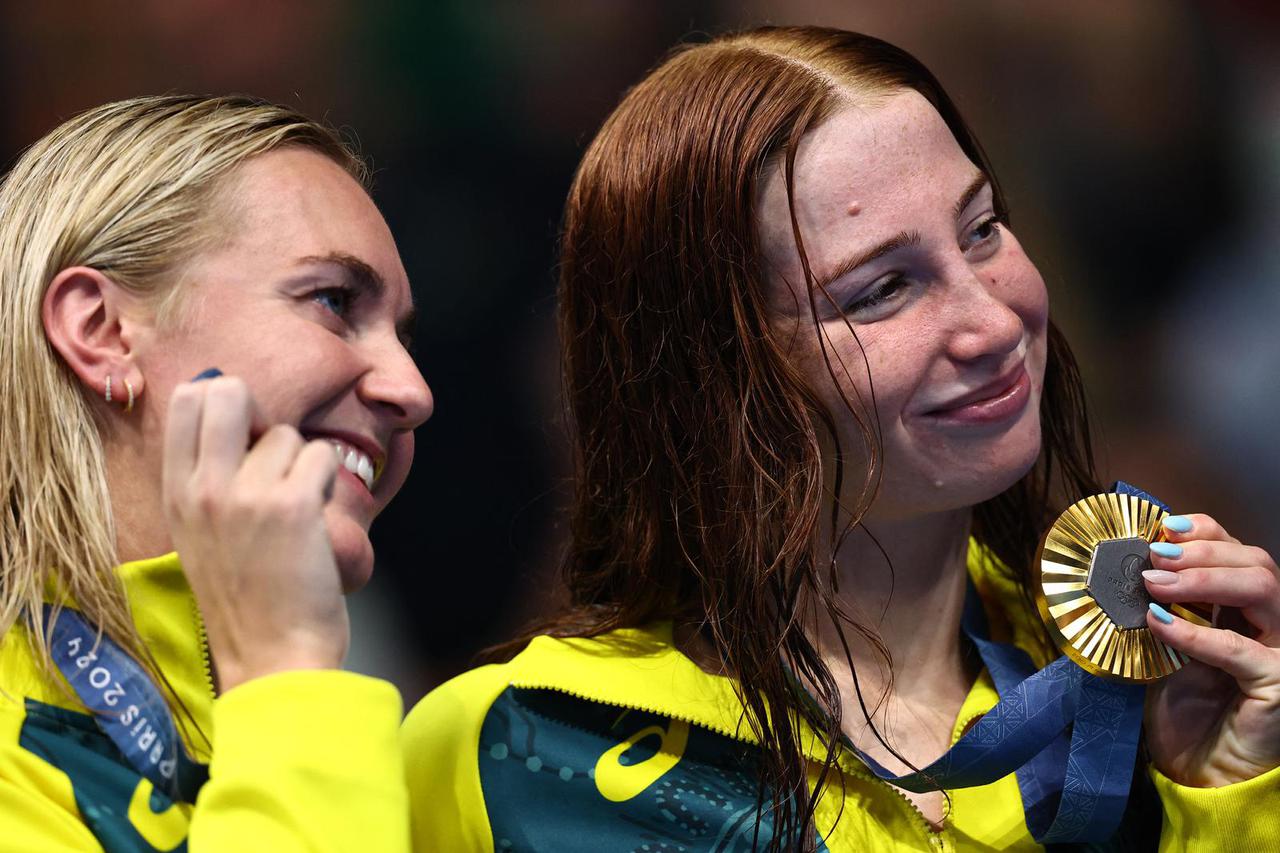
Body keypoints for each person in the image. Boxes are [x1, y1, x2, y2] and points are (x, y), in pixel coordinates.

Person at [402, 26, 1280, 852]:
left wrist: (1227, 799)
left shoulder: (1136, 688)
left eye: (981, 229)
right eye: (882, 289)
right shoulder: (524, 748)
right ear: (715, 375)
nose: (990, 320)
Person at [0, 95, 433, 850]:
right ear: (100, 331)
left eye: (401, 333)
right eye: (332, 300)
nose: (413, 390)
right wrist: (284, 673)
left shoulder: (402, 748)